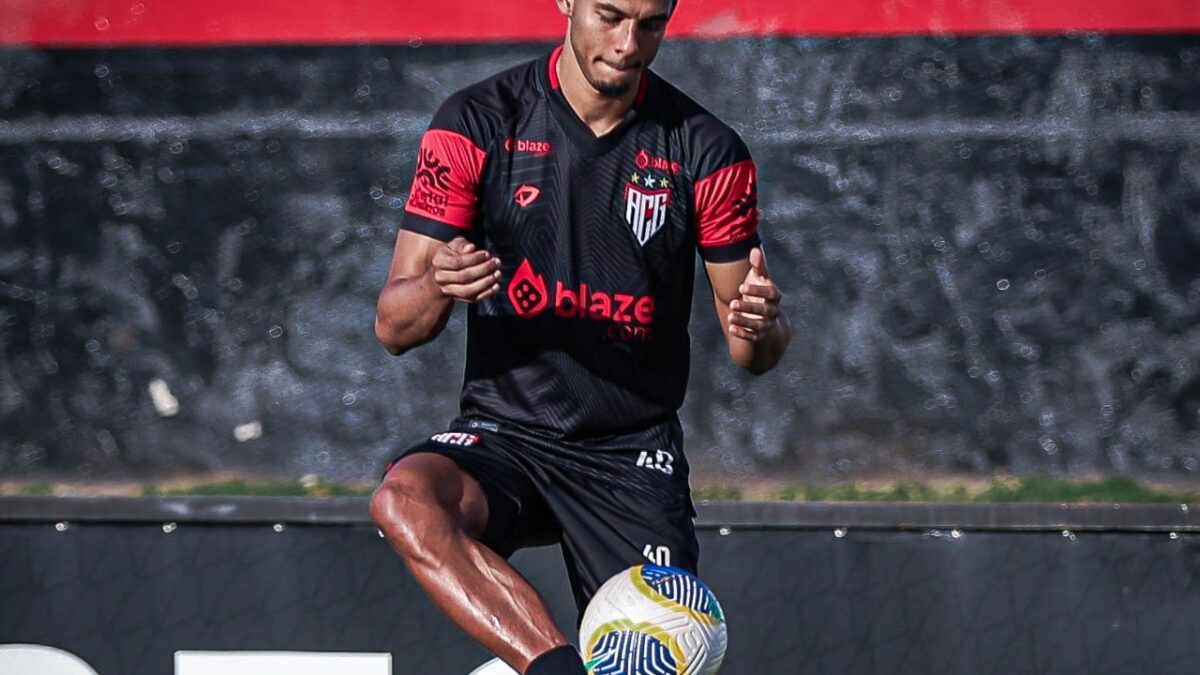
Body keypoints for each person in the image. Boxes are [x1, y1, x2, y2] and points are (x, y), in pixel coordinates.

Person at [369, 0, 791, 672]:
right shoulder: (475, 123)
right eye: (611, 14)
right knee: (404, 497)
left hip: (629, 456)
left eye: (651, 23)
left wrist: (762, 325)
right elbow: (393, 327)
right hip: (505, 435)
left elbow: (753, 353)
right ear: (566, 1)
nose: (628, 43)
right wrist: (437, 284)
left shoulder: (705, 148)